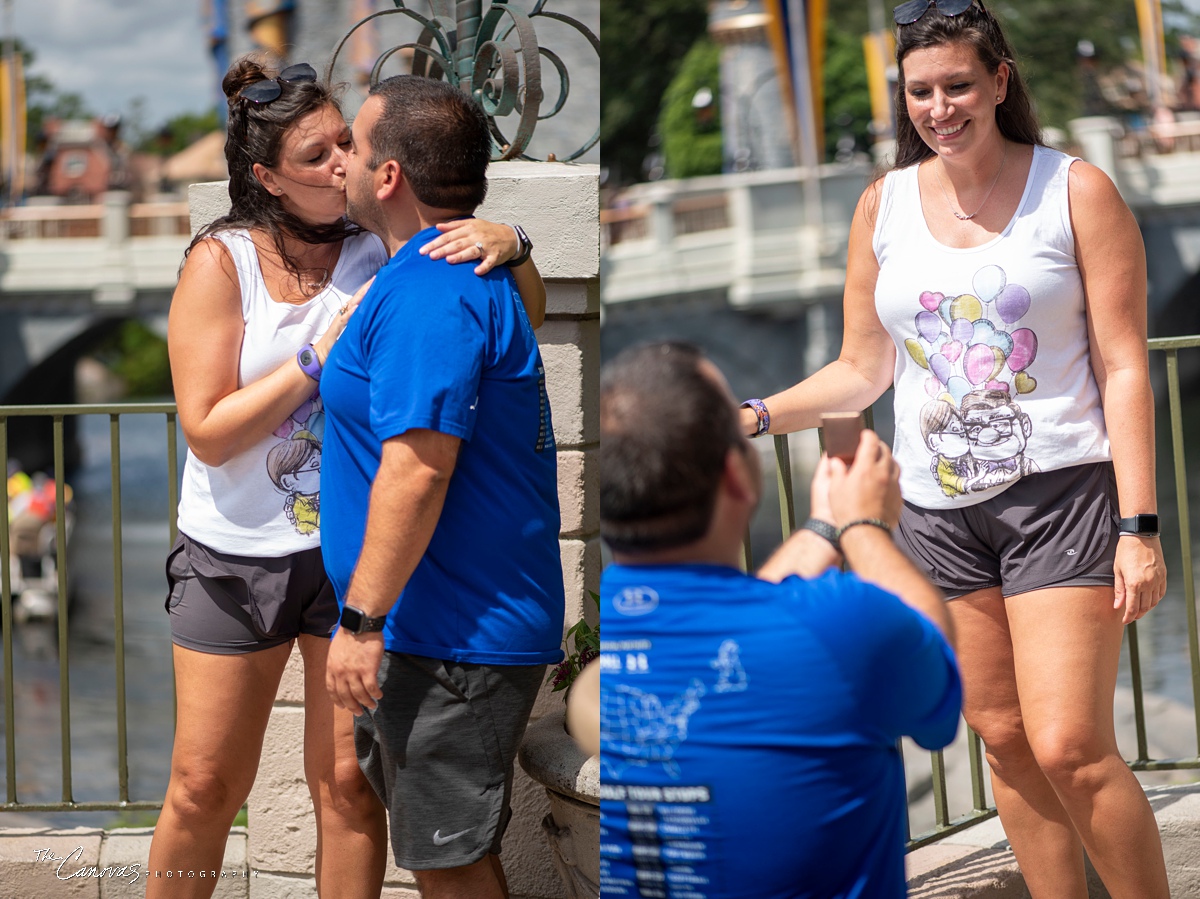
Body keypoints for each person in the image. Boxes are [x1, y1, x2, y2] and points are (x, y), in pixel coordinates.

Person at [738, 1, 1169, 894]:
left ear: (999, 82)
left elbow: (1124, 364)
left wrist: (1139, 524)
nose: (940, 107)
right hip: (936, 515)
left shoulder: (1075, 190)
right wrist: (750, 414)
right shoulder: (881, 206)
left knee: (1070, 745)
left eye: (959, 85)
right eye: (921, 91)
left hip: (1059, 494)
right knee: (1005, 738)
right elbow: (862, 368)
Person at [149, 58, 547, 898]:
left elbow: (519, 312)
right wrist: (313, 358)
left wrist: (515, 241)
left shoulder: (385, 240)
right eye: (316, 155)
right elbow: (207, 433)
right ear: (266, 178)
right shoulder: (222, 264)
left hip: (354, 561)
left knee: (349, 786)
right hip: (237, 556)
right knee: (202, 785)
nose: (341, 162)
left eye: (344, 142)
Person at [598, 341, 961, 897]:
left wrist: (823, 526)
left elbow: (735, 627)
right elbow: (933, 651)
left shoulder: (607, 642)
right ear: (738, 478)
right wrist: (864, 525)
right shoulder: (845, 626)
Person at [321, 74, 565, 899]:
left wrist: (360, 621)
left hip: (452, 634)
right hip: (438, 626)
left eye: (352, 146)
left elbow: (418, 469)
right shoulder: (452, 267)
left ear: (389, 176)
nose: (340, 163)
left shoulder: (432, 288)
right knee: (442, 855)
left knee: (448, 863)